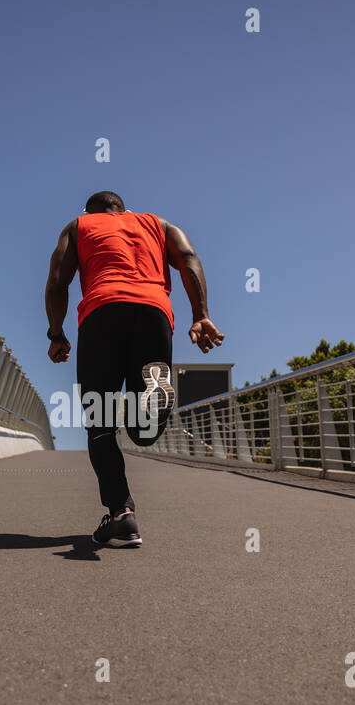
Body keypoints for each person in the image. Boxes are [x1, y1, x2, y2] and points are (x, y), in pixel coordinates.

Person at [43, 190, 225, 547]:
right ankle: (154, 403)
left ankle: (121, 515)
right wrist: (200, 314)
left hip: (101, 313)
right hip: (153, 312)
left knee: (100, 421)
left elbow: (57, 281)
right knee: (142, 430)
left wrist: (56, 333)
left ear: (91, 211)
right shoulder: (159, 224)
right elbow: (188, 257)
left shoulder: (79, 226)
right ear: (122, 209)